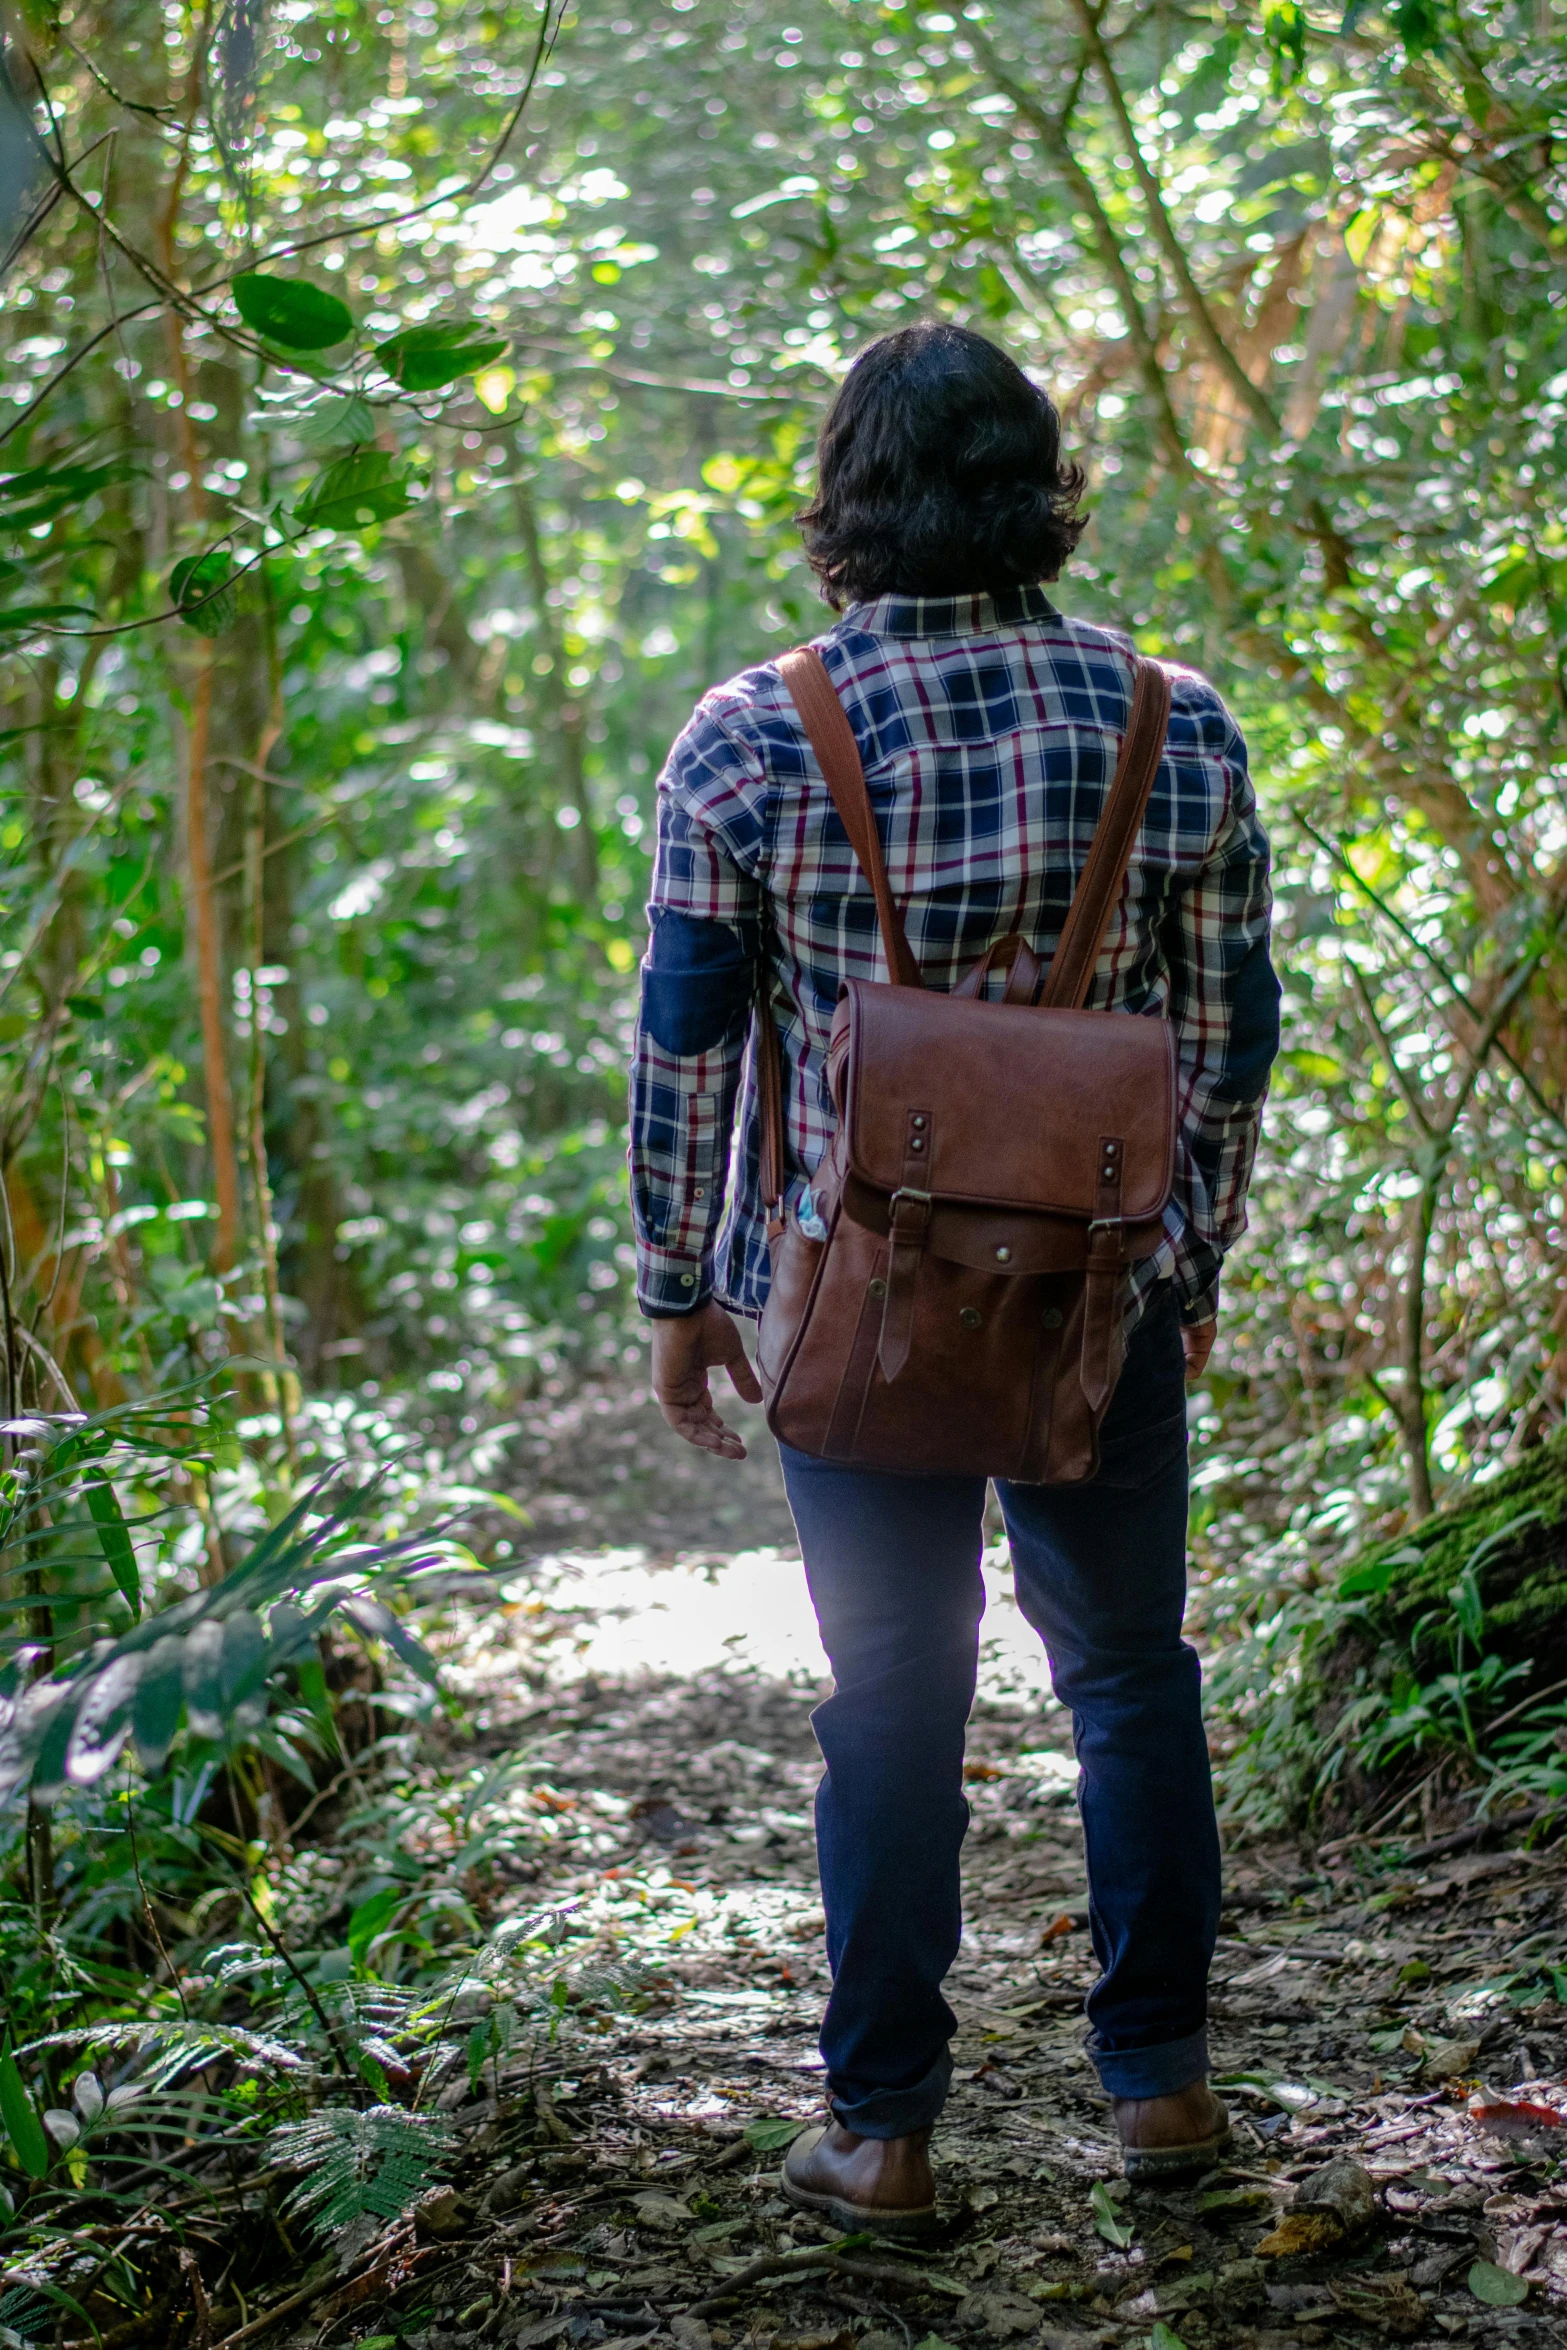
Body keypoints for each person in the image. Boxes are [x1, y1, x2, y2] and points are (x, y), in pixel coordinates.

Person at [628, 322, 1280, 2226]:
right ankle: (1160, 2091)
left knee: (889, 1694)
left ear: (842, 505)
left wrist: (683, 1287)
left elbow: (684, 1044)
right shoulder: (1177, 723)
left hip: (851, 1296)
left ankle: (885, 2126)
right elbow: (1229, 1040)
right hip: (1101, 1292)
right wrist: (1194, 1255)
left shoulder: (753, 734)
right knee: (1128, 1675)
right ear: (1038, 490)